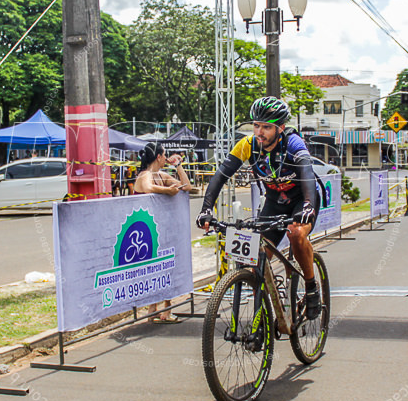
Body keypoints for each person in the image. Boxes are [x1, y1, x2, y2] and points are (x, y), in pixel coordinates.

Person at [196, 96, 323, 320]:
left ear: (280, 127)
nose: (259, 132)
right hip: (275, 202)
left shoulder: (293, 144)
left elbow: (307, 175)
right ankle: (263, 310)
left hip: (300, 199)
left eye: (266, 127)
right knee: (255, 256)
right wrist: (207, 209)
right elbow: (220, 176)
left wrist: (308, 206)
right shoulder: (247, 145)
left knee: (296, 234)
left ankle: (312, 287)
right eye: (256, 126)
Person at [133, 141, 190, 323]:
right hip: (146, 232)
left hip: (161, 229)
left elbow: (186, 186)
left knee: (166, 267)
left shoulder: (161, 174)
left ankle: (165, 308)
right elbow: (148, 187)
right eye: (165, 155)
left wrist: (178, 166)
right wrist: (167, 191)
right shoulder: (145, 175)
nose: (167, 158)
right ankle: (152, 309)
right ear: (158, 157)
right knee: (151, 270)